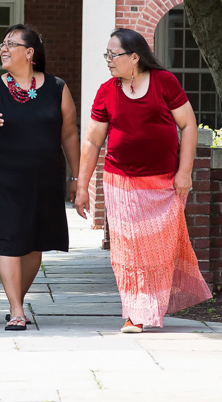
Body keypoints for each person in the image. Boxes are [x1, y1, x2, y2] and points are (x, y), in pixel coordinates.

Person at [73, 27, 212, 333]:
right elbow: (93, 140)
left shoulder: (164, 82)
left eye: (114, 54)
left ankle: (150, 306)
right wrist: (82, 184)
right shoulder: (107, 90)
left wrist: (184, 172)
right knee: (127, 248)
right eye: (106, 54)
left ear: (134, 57)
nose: (108, 60)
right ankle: (135, 312)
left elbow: (188, 125)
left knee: (158, 249)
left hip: (162, 183)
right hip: (119, 181)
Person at [0, 25, 80, 331]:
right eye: (2, 45)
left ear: (29, 53)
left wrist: (77, 177)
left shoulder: (57, 87)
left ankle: (15, 299)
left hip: (43, 179)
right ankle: (17, 310)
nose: (3, 49)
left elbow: (69, 133)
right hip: (4, 179)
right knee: (9, 242)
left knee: (34, 247)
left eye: (10, 44)